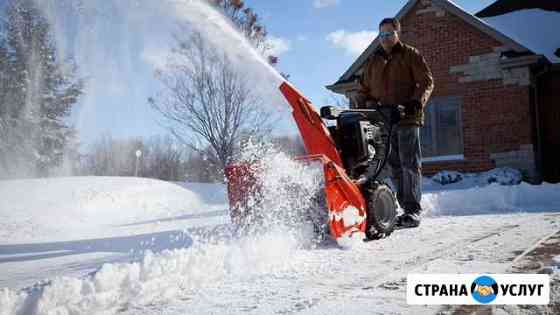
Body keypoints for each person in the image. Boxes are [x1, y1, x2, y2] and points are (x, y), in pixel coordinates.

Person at [352, 17, 434, 228]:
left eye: (389, 34)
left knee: (409, 164)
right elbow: (362, 90)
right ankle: (402, 209)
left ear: (398, 33)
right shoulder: (373, 61)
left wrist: (417, 101)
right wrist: (362, 105)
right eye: (381, 35)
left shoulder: (410, 55)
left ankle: (413, 210)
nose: (385, 38)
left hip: (407, 117)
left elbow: (426, 82)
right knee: (394, 165)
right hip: (384, 120)